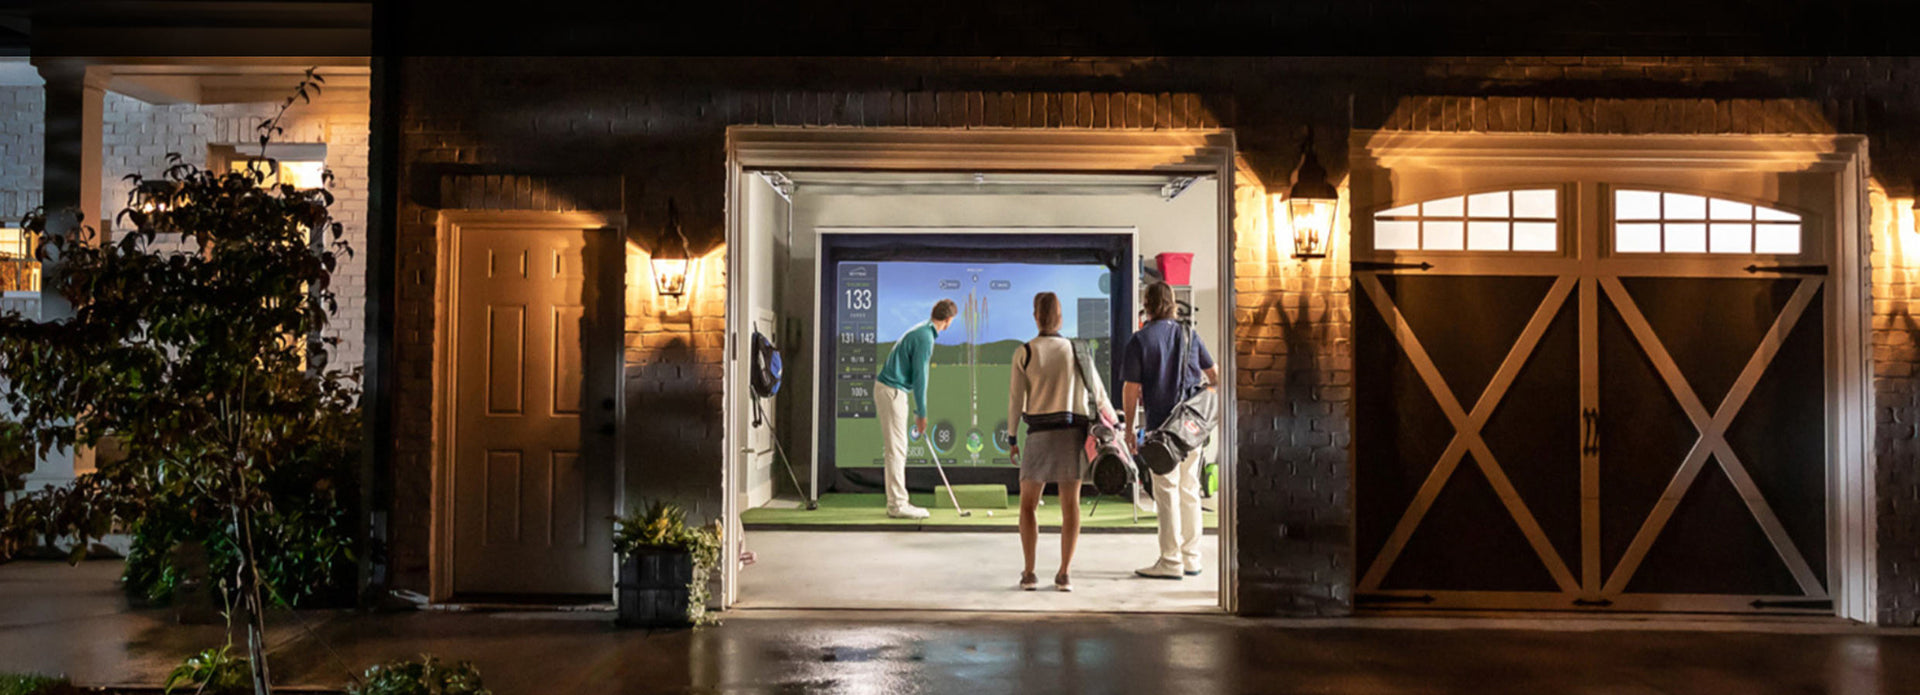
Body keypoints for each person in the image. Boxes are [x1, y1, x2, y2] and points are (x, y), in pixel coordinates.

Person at [1123, 281, 1220, 579]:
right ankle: (1191, 558)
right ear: (1173, 303)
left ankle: (1170, 560)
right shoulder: (1190, 334)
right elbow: (1214, 377)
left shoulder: (1140, 341)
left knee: (1166, 493)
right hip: (1191, 430)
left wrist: (1129, 429)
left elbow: (1131, 389)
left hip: (1161, 432)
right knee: (1190, 490)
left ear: (1148, 304)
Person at [1006, 292, 1096, 592]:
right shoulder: (1076, 349)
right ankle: (1064, 574)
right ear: (1060, 316)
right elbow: (1097, 392)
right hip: (1072, 436)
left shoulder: (1025, 352)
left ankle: (1030, 573)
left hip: (1038, 437)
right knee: (1070, 507)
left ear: (1035, 316)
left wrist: (1010, 437)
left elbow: (1016, 400)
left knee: (1027, 506)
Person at [874, 298, 959, 519]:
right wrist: (921, 414)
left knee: (895, 448)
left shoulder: (923, 330)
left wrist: (917, 412)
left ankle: (897, 501)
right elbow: (921, 379)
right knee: (896, 449)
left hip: (892, 390)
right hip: (892, 391)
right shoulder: (925, 337)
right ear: (948, 320)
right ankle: (897, 505)